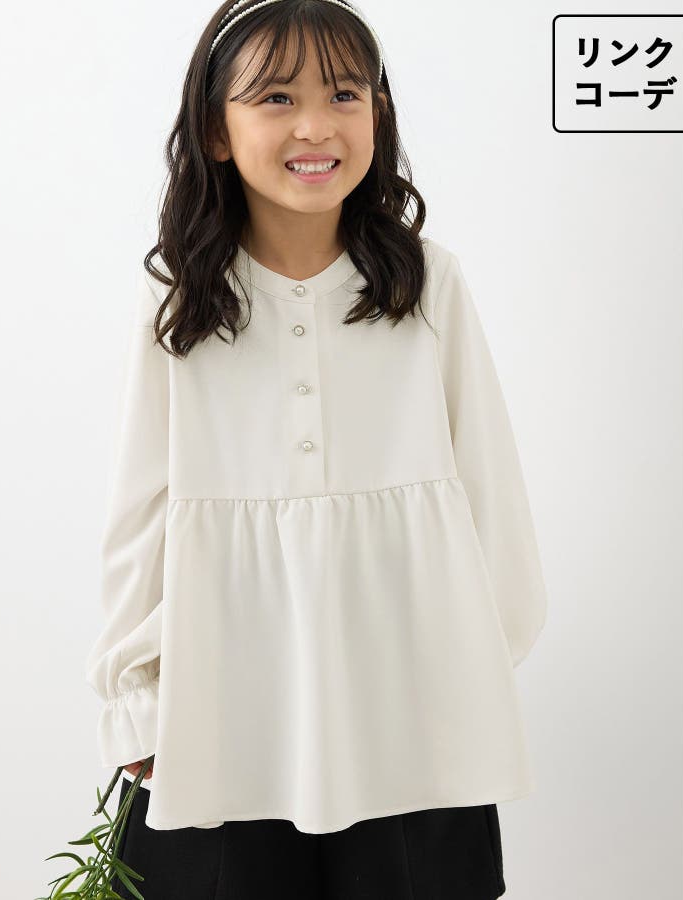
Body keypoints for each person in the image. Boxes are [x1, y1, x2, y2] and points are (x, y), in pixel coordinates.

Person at [83, 1, 548, 897]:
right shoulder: (180, 299)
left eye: (343, 94)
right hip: (223, 708)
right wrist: (136, 698)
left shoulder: (425, 284)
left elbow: (490, 488)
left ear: (378, 112)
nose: (315, 126)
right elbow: (141, 513)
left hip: (413, 709)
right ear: (215, 131)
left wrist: (475, 663)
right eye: (276, 97)